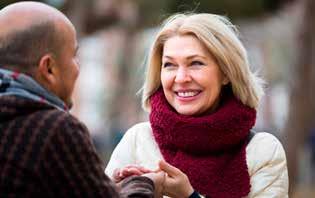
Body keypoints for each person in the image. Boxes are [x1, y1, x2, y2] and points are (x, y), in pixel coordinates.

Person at [105, 13, 289, 197]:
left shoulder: (264, 152)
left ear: (226, 73)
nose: (181, 78)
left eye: (196, 63)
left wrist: (188, 196)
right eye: (169, 65)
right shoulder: (137, 140)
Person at [0, 1, 165, 197]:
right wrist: (144, 183)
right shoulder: (53, 130)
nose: (78, 67)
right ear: (49, 68)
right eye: (74, 56)